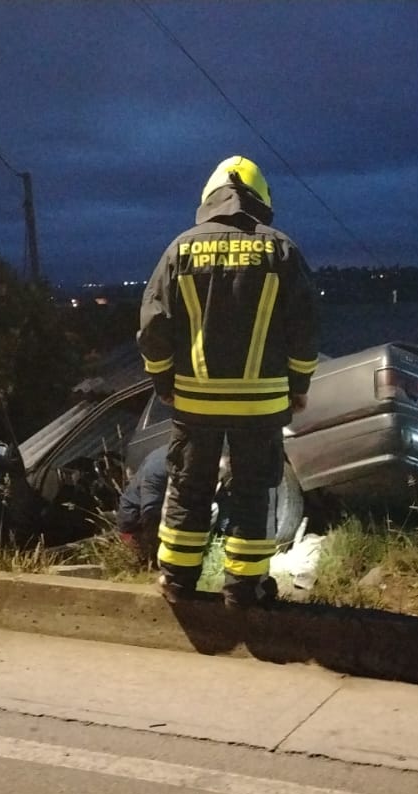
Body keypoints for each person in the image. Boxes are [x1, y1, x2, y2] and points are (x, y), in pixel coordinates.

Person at [138, 156, 319, 607]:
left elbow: (153, 328)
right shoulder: (281, 250)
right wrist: (299, 385)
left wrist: (163, 382)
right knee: (252, 489)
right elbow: (305, 330)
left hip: (194, 402)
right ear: (261, 198)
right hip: (260, 405)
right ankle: (244, 588)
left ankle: (177, 581)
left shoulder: (180, 249)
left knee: (188, 486)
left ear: (209, 197)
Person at [115, 446, 168, 567]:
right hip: (134, 520)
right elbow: (151, 512)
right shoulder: (157, 468)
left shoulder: (168, 455)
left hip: (148, 511)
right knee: (143, 561)